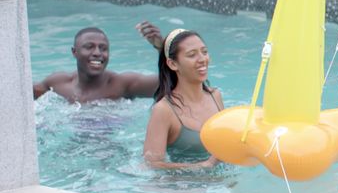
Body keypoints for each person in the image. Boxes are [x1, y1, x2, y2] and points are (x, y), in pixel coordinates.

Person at [143, 28, 221, 170]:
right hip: (186, 188)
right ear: (173, 64)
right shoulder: (164, 110)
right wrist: (204, 166)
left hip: (223, 182)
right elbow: (150, 165)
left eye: (204, 52)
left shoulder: (215, 96)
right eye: (192, 55)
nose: (203, 59)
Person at [33, 27, 159, 104]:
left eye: (103, 48)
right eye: (89, 47)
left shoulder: (122, 85)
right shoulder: (58, 84)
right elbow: (22, 93)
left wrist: (162, 48)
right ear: (74, 52)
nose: (98, 53)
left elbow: (171, 81)